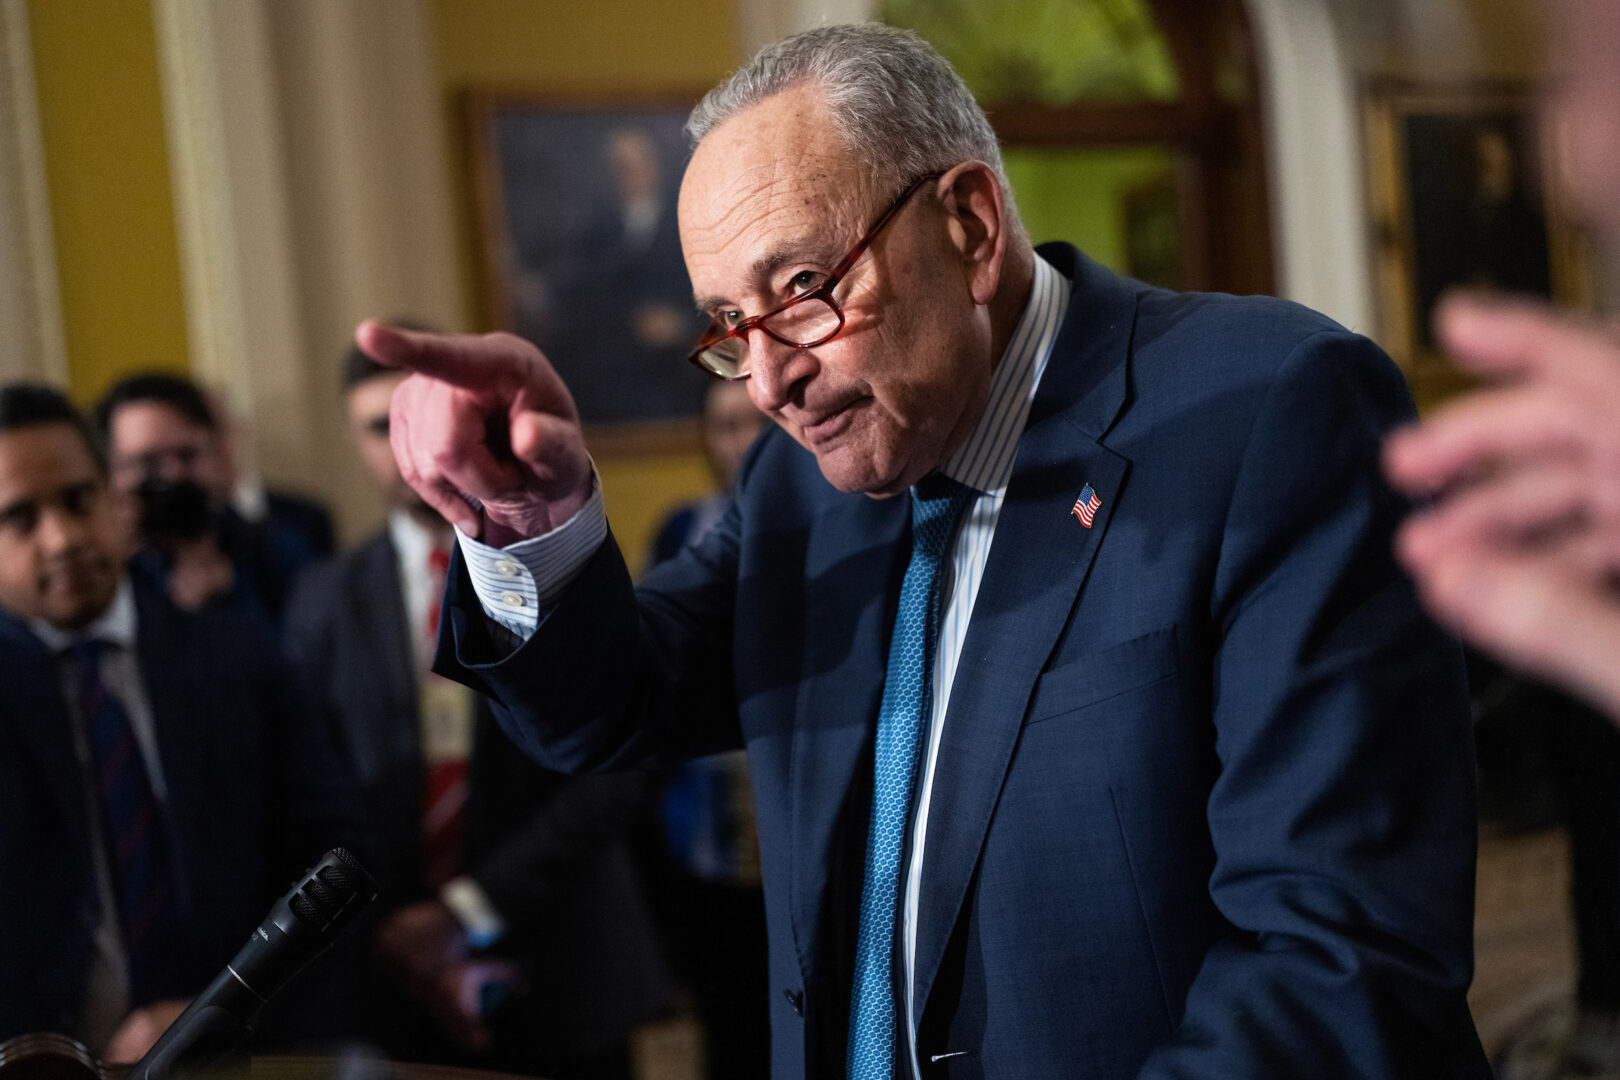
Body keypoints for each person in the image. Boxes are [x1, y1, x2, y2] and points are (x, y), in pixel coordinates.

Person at [367, 24, 1487, 1080]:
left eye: (802, 290)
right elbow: (607, 707)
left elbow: (1339, 957)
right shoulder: (798, 484)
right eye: (729, 327)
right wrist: (530, 521)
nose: (768, 384)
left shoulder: (1269, 412)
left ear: (969, 226)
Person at [283, 346, 670, 1080]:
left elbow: (614, 769)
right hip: (399, 983)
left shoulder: (556, 556)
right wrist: (400, 932)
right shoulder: (319, 601)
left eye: (424, 420)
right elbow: (314, 787)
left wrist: (469, 910)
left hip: (565, 962)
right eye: (380, 427)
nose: (409, 450)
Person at [0, 383, 359, 1061]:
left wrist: (220, 1014)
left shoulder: (239, 653)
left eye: (79, 499)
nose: (63, 538)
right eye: (21, 517)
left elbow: (331, 860)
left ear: (114, 495)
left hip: (249, 1058)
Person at [643, 378, 769, 1079]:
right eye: (725, 426)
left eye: (755, 422)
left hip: (802, 831)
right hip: (705, 842)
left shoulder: (844, 514)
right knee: (729, 1037)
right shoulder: (681, 528)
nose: (742, 441)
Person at [95, 373, 333, 623]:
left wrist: (234, 595)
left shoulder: (282, 548)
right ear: (111, 474)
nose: (174, 476)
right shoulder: (107, 569)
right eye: (148, 463)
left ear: (218, 452)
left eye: (187, 455)